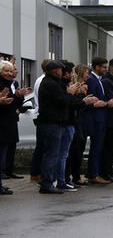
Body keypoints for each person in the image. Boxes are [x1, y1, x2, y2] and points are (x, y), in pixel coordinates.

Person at [36, 61, 69, 194]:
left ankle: (48, 182)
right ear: (55, 71)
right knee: (51, 154)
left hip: (55, 122)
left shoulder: (54, 83)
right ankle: (47, 183)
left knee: (51, 154)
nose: (62, 72)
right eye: (61, 70)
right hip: (51, 123)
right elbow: (62, 101)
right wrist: (70, 94)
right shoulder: (50, 84)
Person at [0, 59, 30, 194]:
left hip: (9, 122)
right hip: (3, 123)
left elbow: (12, 102)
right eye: (6, 71)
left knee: (5, 153)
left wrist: (18, 96)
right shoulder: (3, 84)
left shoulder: (12, 83)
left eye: (11, 71)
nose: (9, 73)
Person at [86, 57, 110, 184]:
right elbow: (92, 99)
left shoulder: (97, 80)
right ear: (97, 67)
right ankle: (93, 174)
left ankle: (95, 173)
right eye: (104, 67)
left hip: (101, 116)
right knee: (96, 147)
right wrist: (106, 103)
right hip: (96, 118)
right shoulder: (91, 80)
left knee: (99, 147)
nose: (106, 69)